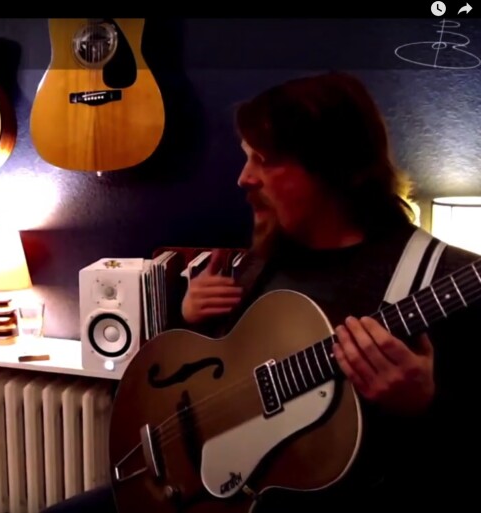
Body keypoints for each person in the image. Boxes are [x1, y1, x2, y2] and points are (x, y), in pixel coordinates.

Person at [43, 71, 479, 513]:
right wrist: (192, 320)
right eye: (245, 157)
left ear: (335, 168)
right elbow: (220, 377)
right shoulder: (264, 260)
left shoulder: (445, 280)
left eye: (265, 160)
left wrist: (425, 405)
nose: (243, 179)